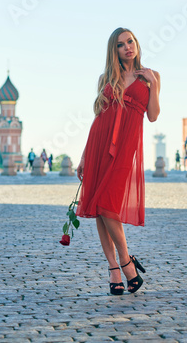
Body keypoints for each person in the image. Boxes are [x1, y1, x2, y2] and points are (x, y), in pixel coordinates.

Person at [75, 28, 160, 296]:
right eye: (121, 44)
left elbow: (154, 116)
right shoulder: (106, 79)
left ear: (136, 44)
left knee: (108, 204)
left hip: (125, 147)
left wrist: (154, 86)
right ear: (115, 50)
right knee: (100, 206)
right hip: (99, 144)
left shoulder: (150, 77)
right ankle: (115, 267)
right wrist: (84, 155)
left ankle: (124, 261)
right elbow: (98, 118)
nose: (127, 47)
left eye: (130, 42)